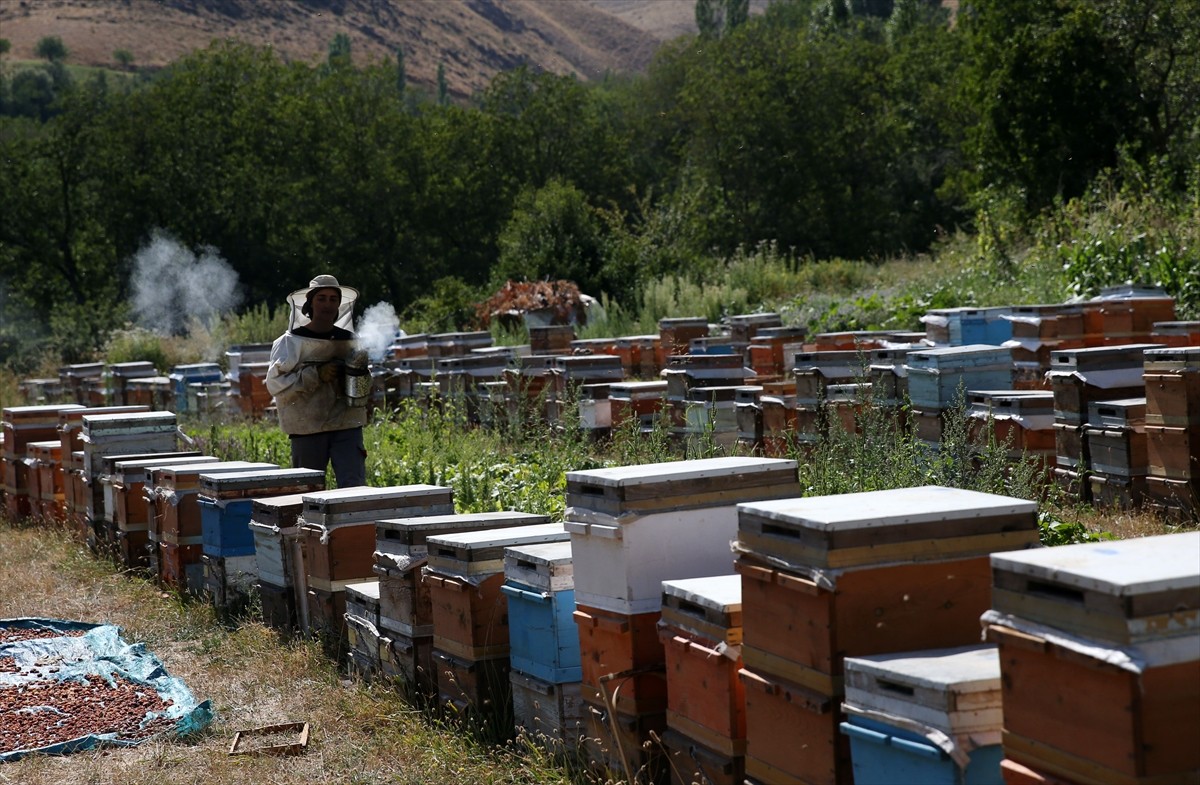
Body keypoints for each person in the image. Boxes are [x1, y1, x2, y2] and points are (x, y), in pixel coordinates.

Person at [265, 274, 368, 488]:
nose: (327, 304)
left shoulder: (350, 341)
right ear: (310, 303)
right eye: (321, 298)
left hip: (346, 425)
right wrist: (316, 374)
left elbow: (364, 384)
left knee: (354, 489)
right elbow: (275, 384)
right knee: (308, 490)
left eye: (333, 299)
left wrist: (357, 374)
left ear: (339, 304)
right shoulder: (290, 342)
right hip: (307, 428)